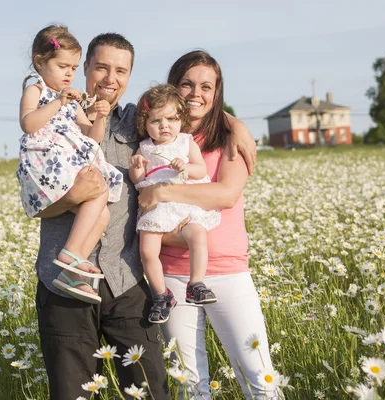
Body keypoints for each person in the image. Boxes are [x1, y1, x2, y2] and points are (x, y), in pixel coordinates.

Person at [33, 32, 258, 399]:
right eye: (101, 67)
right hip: (65, 285)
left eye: (121, 71)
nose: (110, 78)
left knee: (153, 392)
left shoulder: (137, 126)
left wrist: (235, 123)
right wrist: (79, 195)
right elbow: (36, 203)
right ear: (84, 68)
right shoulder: (53, 123)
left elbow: (183, 112)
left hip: (128, 285)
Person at [138, 50, 281, 399]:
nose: (195, 94)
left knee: (260, 378)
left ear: (217, 93)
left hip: (228, 271)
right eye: (186, 84)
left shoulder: (229, 137)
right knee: (190, 386)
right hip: (171, 275)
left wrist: (162, 191)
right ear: (173, 87)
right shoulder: (154, 135)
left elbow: (225, 195)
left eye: (207, 86)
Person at [16, 24, 123, 304]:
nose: (69, 73)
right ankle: (71, 252)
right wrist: (58, 102)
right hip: (47, 164)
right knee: (99, 191)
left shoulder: (73, 100)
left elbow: (92, 137)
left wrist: (99, 116)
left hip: (67, 164)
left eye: (73, 68)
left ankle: (71, 271)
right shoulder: (36, 90)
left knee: (103, 216)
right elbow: (29, 124)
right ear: (41, 62)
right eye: (63, 65)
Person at [129, 84, 221, 324]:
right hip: (157, 210)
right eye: (156, 121)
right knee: (147, 251)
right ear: (145, 124)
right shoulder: (145, 147)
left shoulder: (186, 142)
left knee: (198, 234)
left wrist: (186, 167)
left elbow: (201, 169)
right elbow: (140, 182)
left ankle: (196, 283)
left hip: (184, 205)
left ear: (181, 118)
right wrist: (137, 168)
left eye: (171, 119)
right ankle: (162, 295)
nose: (164, 126)